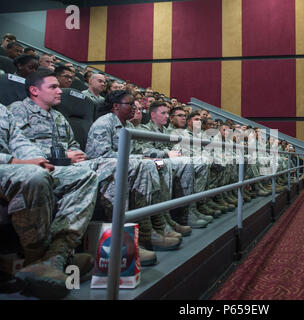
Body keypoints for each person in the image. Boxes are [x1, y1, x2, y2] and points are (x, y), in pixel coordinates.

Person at [9, 70, 158, 264]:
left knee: (118, 165)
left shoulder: (58, 117)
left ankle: (125, 235)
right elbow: (18, 147)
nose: (60, 91)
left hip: (70, 164)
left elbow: (72, 144)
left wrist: (75, 154)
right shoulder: (18, 110)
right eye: (53, 87)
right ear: (34, 90)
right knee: (110, 165)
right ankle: (115, 241)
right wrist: (63, 155)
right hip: (42, 165)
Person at [0, 103, 99, 299]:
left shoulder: (2, 110)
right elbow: (18, 159)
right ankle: (36, 259)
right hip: (8, 165)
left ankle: (56, 256)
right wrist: (18, 162)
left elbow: (20, 142)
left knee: (83, 175)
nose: (59, 91)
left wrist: (39, 159)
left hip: (14, 166)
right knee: (34, 175)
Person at [85, 90, 182, 252]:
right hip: (102, 167)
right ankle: (141, 234)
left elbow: (139, 150)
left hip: (126, 165)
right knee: (145, 165)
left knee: (156, 164)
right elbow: (101, 155)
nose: (134, 109)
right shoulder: (104, 123)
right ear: (116, 106)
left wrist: (148, 158)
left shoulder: (129, 126)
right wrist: (139, 159)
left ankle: (155, 224)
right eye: (130, 104)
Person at [133, 101, 211, 229]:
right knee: (183, 162)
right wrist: (167, 153)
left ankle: (190, 208)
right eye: (163, 113)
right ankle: (175, 215)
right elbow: (144, 150)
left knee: (196, 162)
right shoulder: (145, 129)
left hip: (168, 159)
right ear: (152, 115)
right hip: (155, 160)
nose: (166, 116)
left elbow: (175, 148)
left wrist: (175, 152)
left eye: (167, 113)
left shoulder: (167, 131)